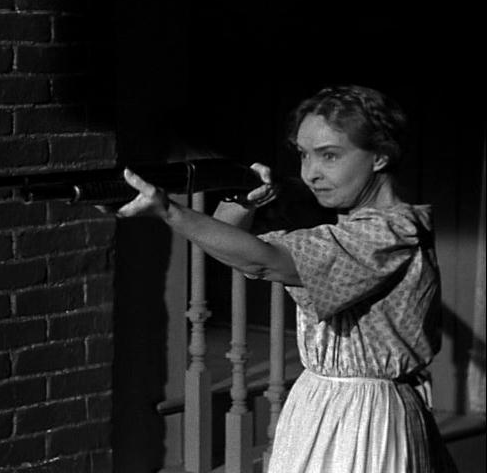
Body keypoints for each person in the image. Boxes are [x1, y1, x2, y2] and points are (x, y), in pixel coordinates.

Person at [112, 85, 457, 472]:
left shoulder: (389, 234)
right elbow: (236, 252)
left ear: (379, 156)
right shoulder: (355, 229)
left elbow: (263, 263)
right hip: (322, 403)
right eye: (303, 155)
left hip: (366, 416)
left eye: (329, 156)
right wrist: (243, 200)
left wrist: (170, 212)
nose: (311, 173)